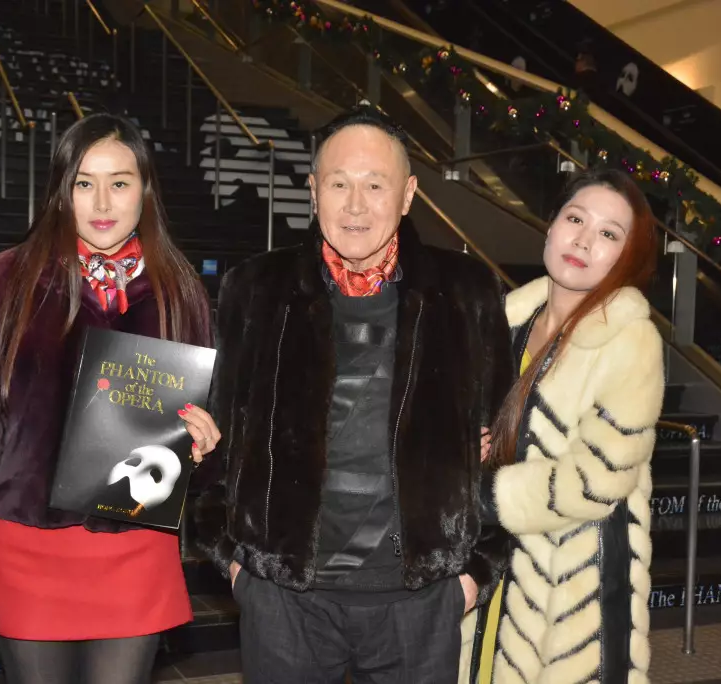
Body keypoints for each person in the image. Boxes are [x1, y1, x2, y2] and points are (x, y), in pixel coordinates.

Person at [194, 106, 512, 683]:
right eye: (339, 184)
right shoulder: (255, 290)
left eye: (375, 185)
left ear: (408, 194)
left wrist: (474, 574)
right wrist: (235, 562)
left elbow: (507, 443)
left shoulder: (468, 293)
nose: (356, 205)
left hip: (420, 604)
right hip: (283, 602)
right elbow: (218, 436)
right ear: (313, 190)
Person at [0, 113, 221, 684]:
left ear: (145, 191)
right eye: (83, 183)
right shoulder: (12, 277)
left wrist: (201, 447)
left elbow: (197, 430)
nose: (101, 201)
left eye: (119, 182)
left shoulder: (180, 290)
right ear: (61, 191)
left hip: (134, 542)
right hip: (27, 542)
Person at [463, 168, 664, 684]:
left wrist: (480, 491)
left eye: (608, 234)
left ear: (626, 256)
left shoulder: (629, 340)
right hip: (491, 561)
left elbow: (596, 480)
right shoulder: (503, 321)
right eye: (575, 219)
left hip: (577, 584)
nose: (584, 240)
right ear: (551, 226)